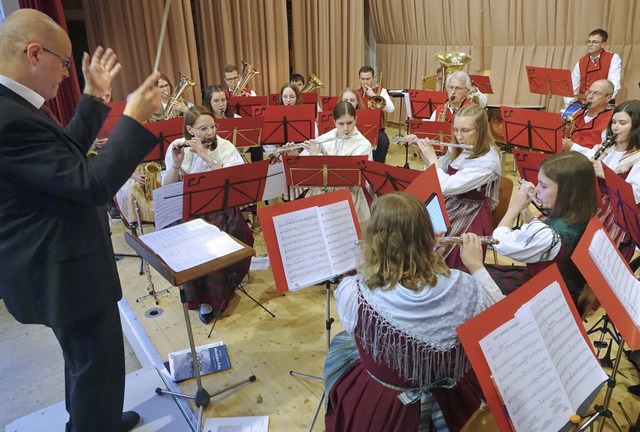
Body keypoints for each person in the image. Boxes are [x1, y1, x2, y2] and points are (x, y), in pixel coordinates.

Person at [0, 9, 161, 432]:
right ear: (34, 53)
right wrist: (133, 119)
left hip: (60, 263)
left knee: (87, 364)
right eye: (65, 63)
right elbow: (89, 184)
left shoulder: (14, 109)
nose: (66, 74)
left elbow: (61, 162)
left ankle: (91, 420)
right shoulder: (7, 117)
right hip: (61, 269)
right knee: (96, 363)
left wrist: (91, 98)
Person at [324, 192, 504, 432]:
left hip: (384, 403)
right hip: (452, 399)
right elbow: (499, 314)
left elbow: (357, 333)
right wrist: (476, 266)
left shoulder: (354, 292)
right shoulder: (466, 287)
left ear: (375, 240)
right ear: (428, 235)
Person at [161, 105, 253, 323]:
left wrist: (206, 156)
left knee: (237, 234)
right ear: (190, 130)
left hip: (221, 206)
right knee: (194, 244)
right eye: (203, 129)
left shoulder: (226, 146)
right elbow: (167, 187)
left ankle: (224, 288)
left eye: (213, 127)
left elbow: (234, 179)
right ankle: (203, 298)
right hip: (190, 211)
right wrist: (175, 164)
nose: (210, 132)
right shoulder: (177, 147)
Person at [486, 152, 598, 306]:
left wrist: (515, 207)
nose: (537, 190)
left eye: (543, 185)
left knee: (477, 286)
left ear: (568, 192)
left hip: (548, 298)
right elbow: (542, 235)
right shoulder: (580, 212)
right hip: (553, 283)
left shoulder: (549, 236)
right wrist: (526, 211)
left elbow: (500, 242)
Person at [414, 104, 501, 271]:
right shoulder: (460, 149)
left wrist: (432, 158)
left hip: (471, 213)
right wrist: (424, 154)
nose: (459, 136)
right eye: (455, 130)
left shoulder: (487, 162)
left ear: (480, 130)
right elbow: (436, 174)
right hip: (451, 203)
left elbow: (444, 185)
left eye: (466, 130)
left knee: (449, 259)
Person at [283, 101, 372, 223]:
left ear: (356, 119)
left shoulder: (363, 144)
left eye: (349, 123)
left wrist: (317, 156)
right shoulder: (325, 138)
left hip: (348, 197)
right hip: (321, 193)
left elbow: (347, 179)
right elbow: (304, 170)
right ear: (334, 121)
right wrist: (295, 157)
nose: (346, 128)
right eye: (341, 123)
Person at [586, 99, 640, 260]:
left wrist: (606, 175)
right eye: (614, 122)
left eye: (622, 123)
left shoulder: (637, 157)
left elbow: (634, 195)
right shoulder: (604, 148)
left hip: (615, 215)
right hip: (591, 202)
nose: (615, 127)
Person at [564, 29, 621, 108]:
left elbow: (614, 84)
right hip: (583, 103)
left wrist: (604, 100)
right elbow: (572, 86)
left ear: (603, 44)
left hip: (603, 104)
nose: (590, 44)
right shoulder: (582, 61)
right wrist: (569, 105)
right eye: (588, 42)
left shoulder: (613, 58)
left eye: (594, 42)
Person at [562, 79, 614, 151]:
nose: (590, 97)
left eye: (596, 93)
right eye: (589, 92)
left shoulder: (611, 121)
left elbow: (603, 153)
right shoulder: (577, 113)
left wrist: (573, 147)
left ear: (608, 98)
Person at [358, 65, 394, 163]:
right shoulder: (356, 93)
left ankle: (378, 166)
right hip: (359, 128)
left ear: (373, 78)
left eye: (368, 79)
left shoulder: (381, 91)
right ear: (359, 79)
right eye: (363, 79)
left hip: (377, 129)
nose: (365, 82)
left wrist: (375, 96)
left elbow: (391, 109)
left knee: (384, 142)